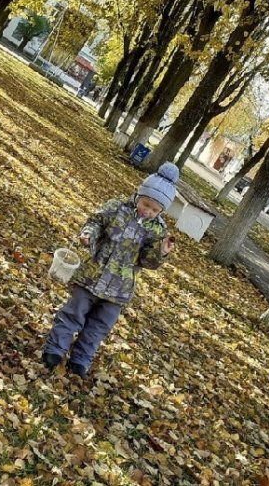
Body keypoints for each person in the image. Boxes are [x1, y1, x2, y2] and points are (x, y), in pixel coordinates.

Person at [42, 162, 180, 378]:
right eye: (146, 204)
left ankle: (80, 359)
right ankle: (55, 350)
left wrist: (161, 251)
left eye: (155, 209)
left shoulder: (157, 230)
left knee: (98, 327)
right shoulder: (116, 208)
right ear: (138, 195)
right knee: (73, 314)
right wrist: (88, 234)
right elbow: (96, 222)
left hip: (119, 289)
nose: (148, 211)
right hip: (93, 275)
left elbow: (147, 262)